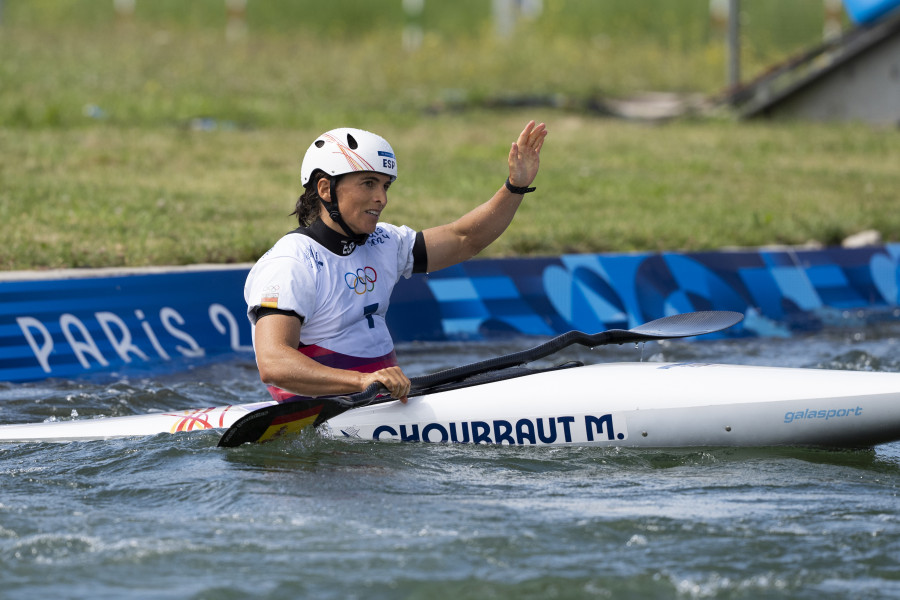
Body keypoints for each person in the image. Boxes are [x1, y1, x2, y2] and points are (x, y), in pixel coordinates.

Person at [244, 120, 547, 405]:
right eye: (368, 183)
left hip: (379, 403)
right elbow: (273, 364)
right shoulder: (291, 263)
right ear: (325, 189)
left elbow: (465, 239)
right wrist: (362, 381)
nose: (382, 199)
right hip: (319, 414)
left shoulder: (385, 242)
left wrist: (514, 187)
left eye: (385, 186)